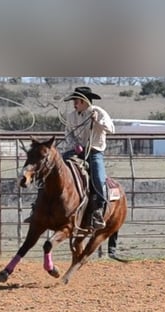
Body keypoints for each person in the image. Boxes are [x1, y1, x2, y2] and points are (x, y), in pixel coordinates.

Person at [61, 86, 115, 230]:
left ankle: (98, 209)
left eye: (76, 101)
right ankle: (39, 203)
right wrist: (75, 145)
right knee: (54, 166)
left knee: (98, 179)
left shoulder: (99, 112)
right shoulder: (72, 116)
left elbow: (111, 129)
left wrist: (97, 122)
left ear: (84, 101)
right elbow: (68, 133)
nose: (74, 103)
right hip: (76, 151)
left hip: (94, 151)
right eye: (74, 101)